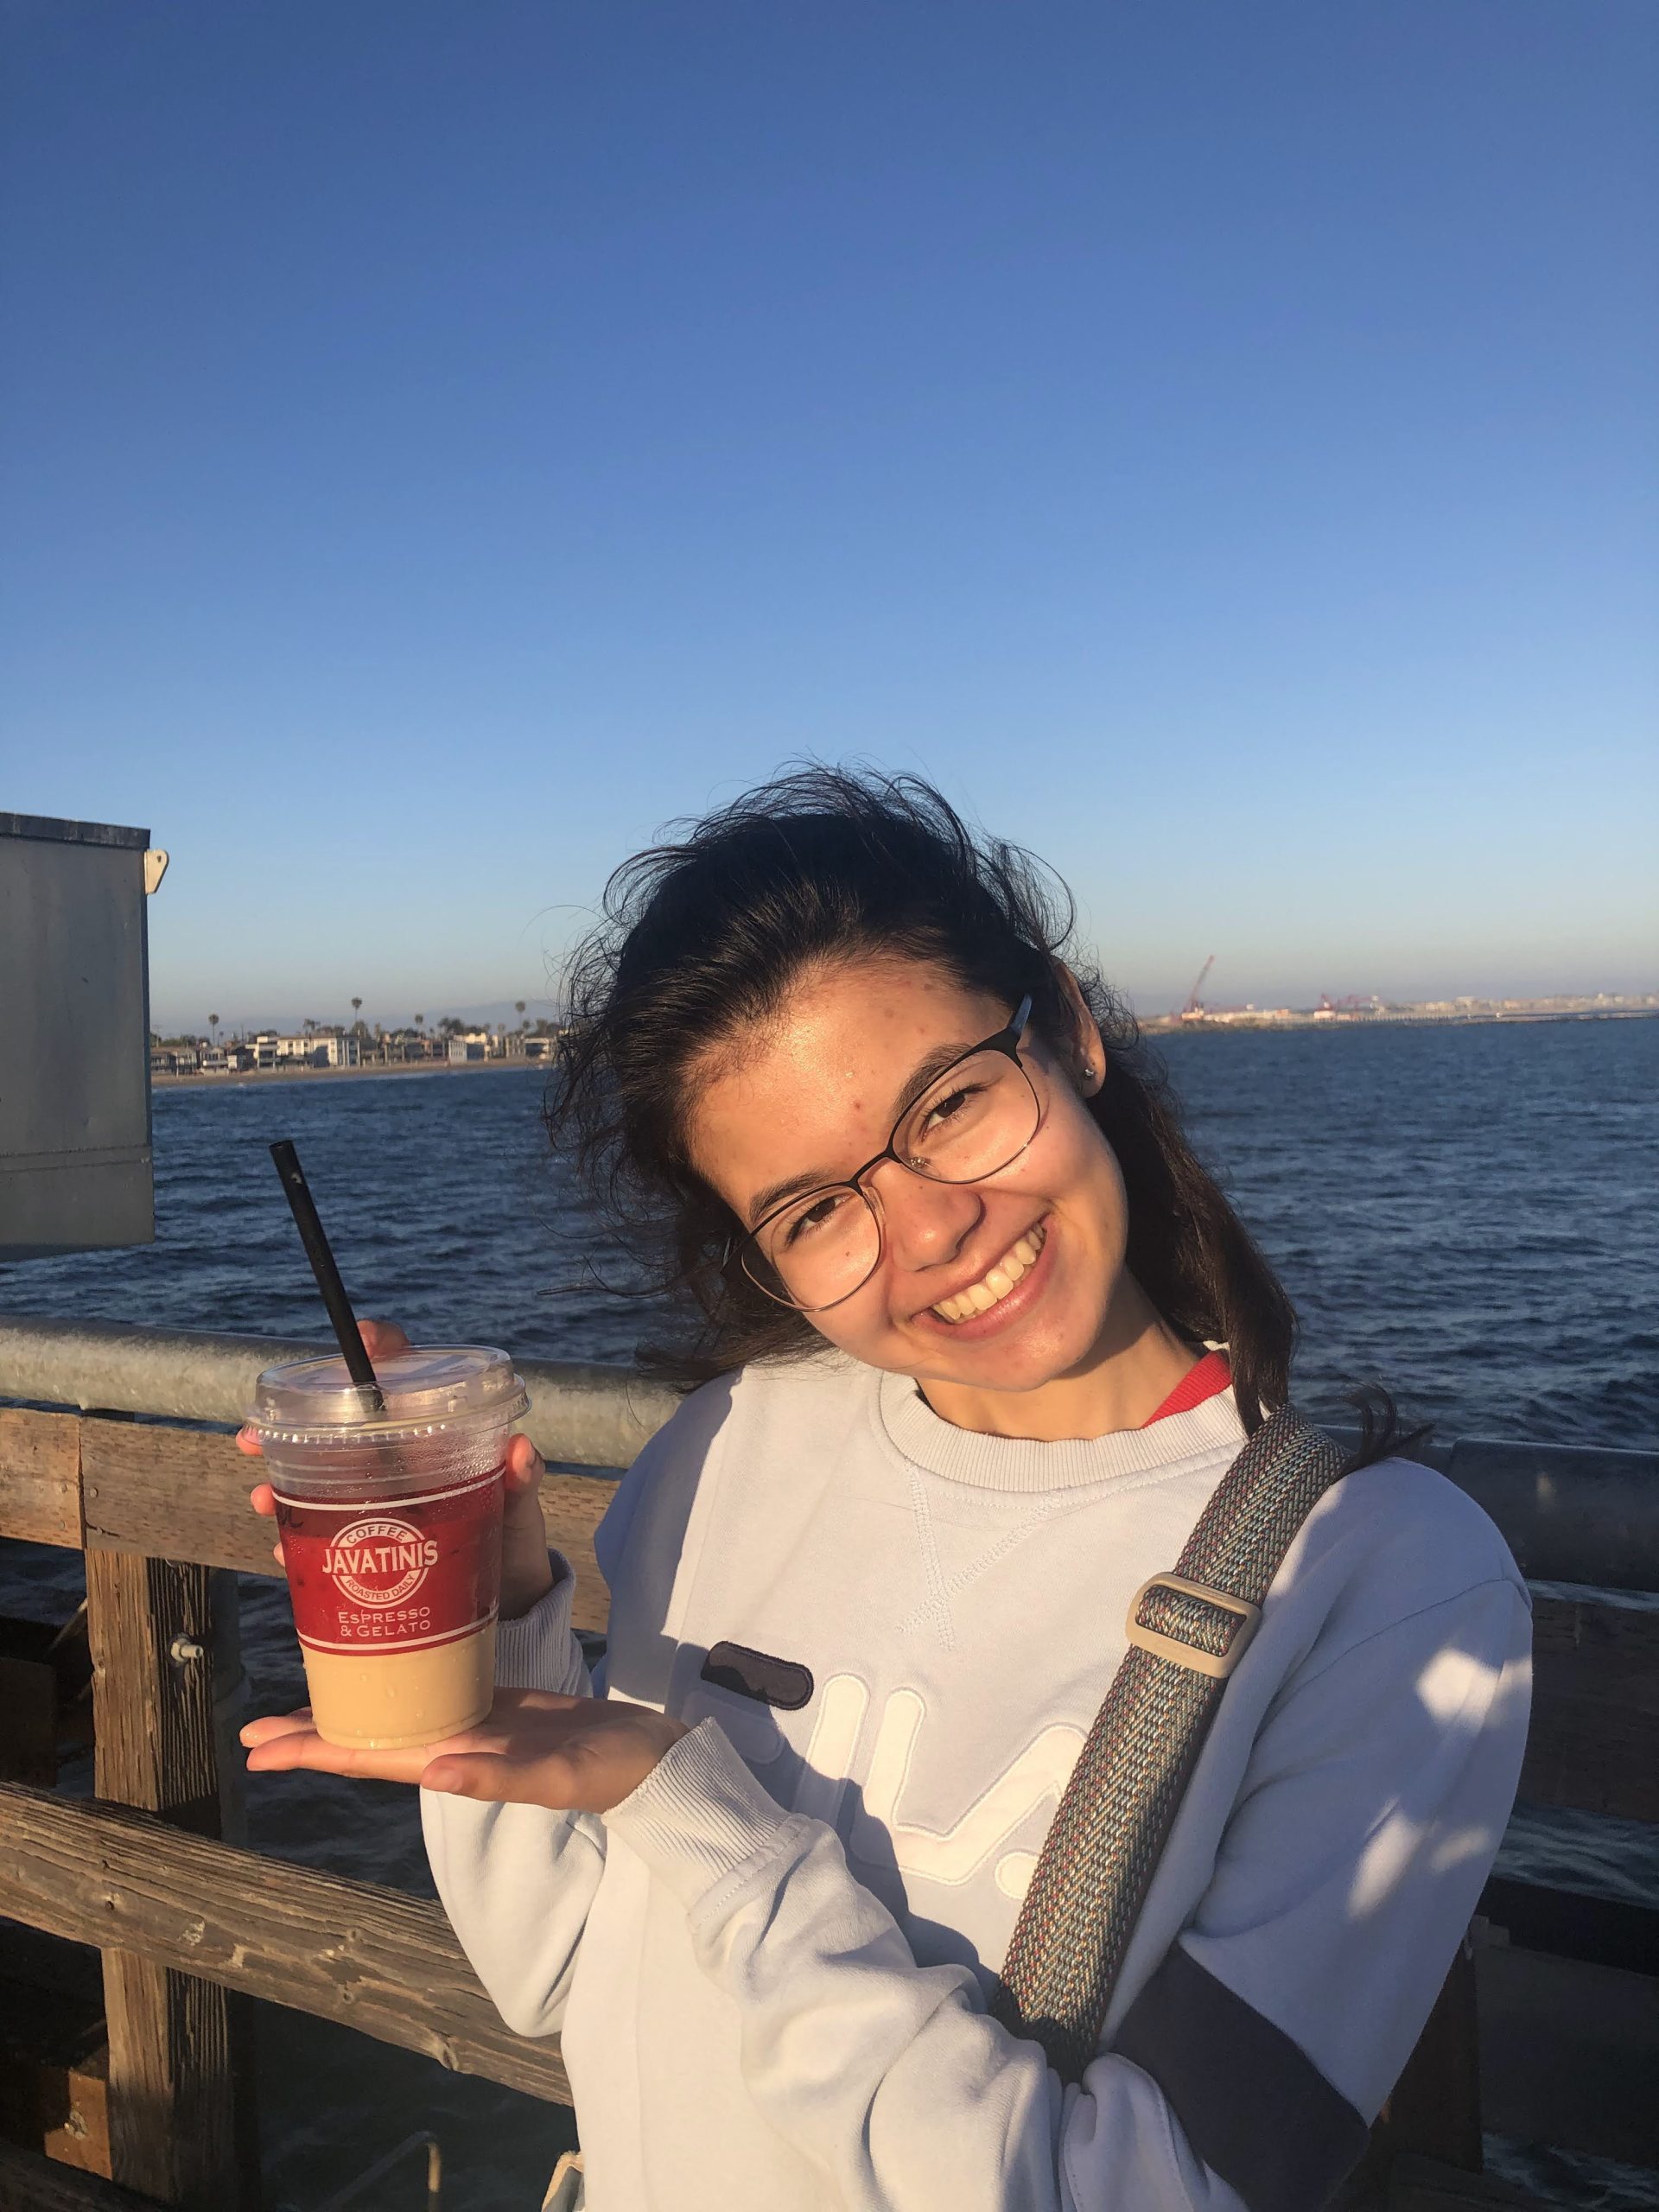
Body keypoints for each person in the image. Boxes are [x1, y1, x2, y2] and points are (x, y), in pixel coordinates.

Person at [241, 768, 1531, 2212]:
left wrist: (691, 1807)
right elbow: (549, 1972)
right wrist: (502, 1604)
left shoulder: (1383, 1582)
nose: (924, 1230)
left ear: (1069, 1030)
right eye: (812, 1209)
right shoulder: (727, 1447)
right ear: (757, 1254)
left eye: (953, 1103)